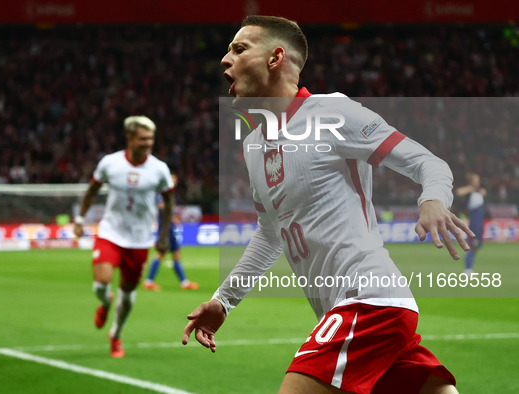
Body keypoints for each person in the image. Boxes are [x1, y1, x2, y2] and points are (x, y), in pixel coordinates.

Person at [182, 16, 474, 394]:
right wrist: (224, 301)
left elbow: (427, 163)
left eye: (238, 49)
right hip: (356, 310)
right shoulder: (253, 145)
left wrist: (432, 199)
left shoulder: (331, 113)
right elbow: (271, 234)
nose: (225, 59)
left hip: (368, 301)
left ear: (276, 58)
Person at [75, 115, 174, 358]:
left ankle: (116, 335)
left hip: (140, 239)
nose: (148, 143)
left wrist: (164, 236)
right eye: (143, 139)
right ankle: (105, 303)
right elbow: (92, 190)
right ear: (129, 138)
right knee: (101, 283)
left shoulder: (159, 169)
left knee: (128, 297)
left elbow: (169, 201)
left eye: (151, 138)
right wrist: (80, 219)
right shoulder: (110, 163)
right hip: (110, 232)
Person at [143, 175, 199, 291]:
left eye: (175, 181)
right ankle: (148, 281)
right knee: (160, 254)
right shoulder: (163, 193)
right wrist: (173, 217)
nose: (174, 183)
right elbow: (162, 206)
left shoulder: (172, 194)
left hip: (170, 228)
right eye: (172, 181)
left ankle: (184, 282)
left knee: (176, 254)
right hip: (164, 229)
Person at [455, 172, 486, 274]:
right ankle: (467, 269)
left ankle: (469, 268)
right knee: (473, 245)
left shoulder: (479, 191)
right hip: (474, 222)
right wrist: (470, 188)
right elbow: (459, 192)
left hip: (480, 222)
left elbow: (484, 192)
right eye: (475, 180)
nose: (478, 182)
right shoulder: (469, 191)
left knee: (476, 246)